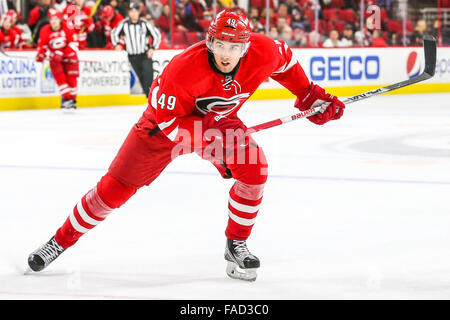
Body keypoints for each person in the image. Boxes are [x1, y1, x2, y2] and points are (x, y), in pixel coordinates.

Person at [27, 9, 345, 282]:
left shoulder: (264, 50)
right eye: (219, 44)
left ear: (246, 48)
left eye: (234, 47)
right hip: (160, 130)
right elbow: (169, 125)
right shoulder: (182, 70)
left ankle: (236, 244)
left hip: (219, 122)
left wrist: (309, 94)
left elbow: (285, 62)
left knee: (255, 170)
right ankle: (59, 241)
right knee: (116, 188)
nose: (225, 53)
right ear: (208, 41)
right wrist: (208, 138)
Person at [111, 2, 161, 97]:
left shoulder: (144, 23)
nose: (133, 13)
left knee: (148, 76)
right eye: (131, 11)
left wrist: (153, 48)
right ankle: (149, 98)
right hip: (132, 56)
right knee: (141, 77)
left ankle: (152, 98)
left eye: (135, 11)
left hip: (144, 54)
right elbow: (114, 33)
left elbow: (157, 35)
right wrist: (116, 44)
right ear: (129, 13)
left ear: (138, 12)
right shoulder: (124, 24)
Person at [35, 8, 79, 110]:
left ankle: (73, 100)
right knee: (60, 79)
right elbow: (42, 45)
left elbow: (74, 45)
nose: (54, 21)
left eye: (56, 19)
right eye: (51, 19)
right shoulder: (45, 30)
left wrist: (62, 53)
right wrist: (41, 54)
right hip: (55, 59)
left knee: (72, 79)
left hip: (70, 58)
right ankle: (67, 99)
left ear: (60, 19)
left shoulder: (68, 27)